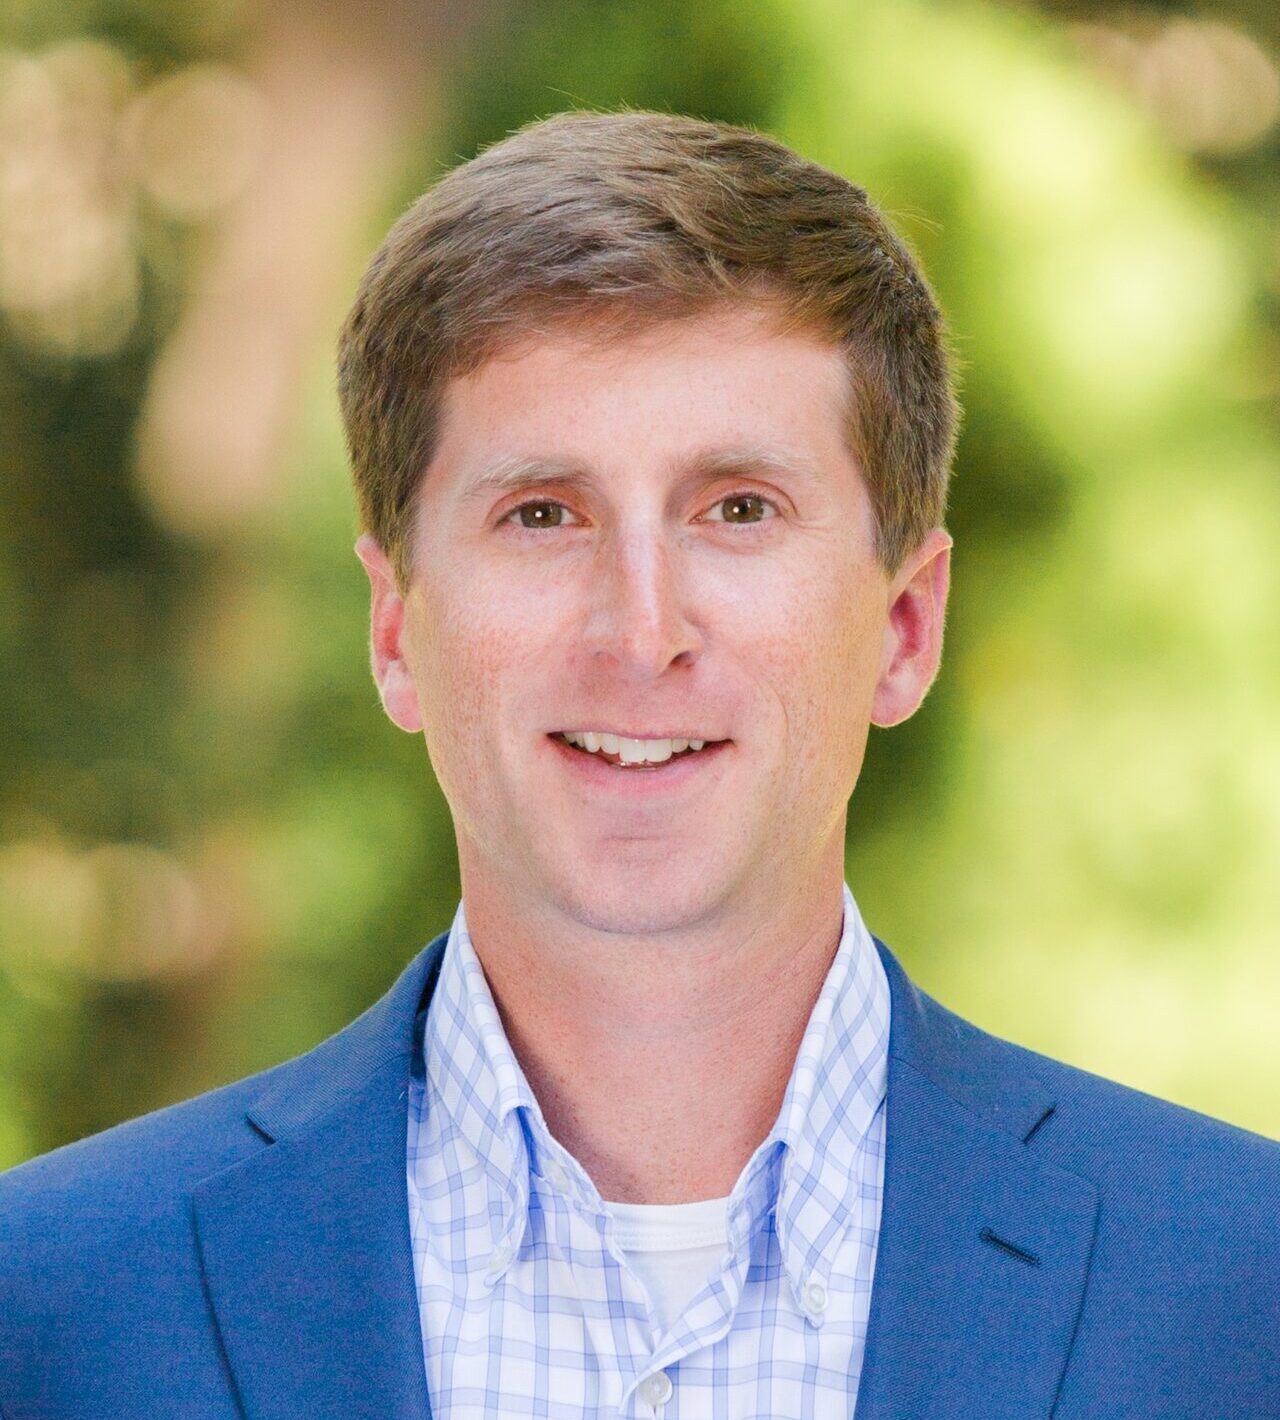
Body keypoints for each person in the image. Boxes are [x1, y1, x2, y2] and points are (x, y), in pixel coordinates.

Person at [1, 108, 1277, 1420]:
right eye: (542, 515)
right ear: (396, 630)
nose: (643, 631)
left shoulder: (1242, 1289)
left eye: (737, 510)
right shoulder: (47, 1305)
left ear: (905, 626)